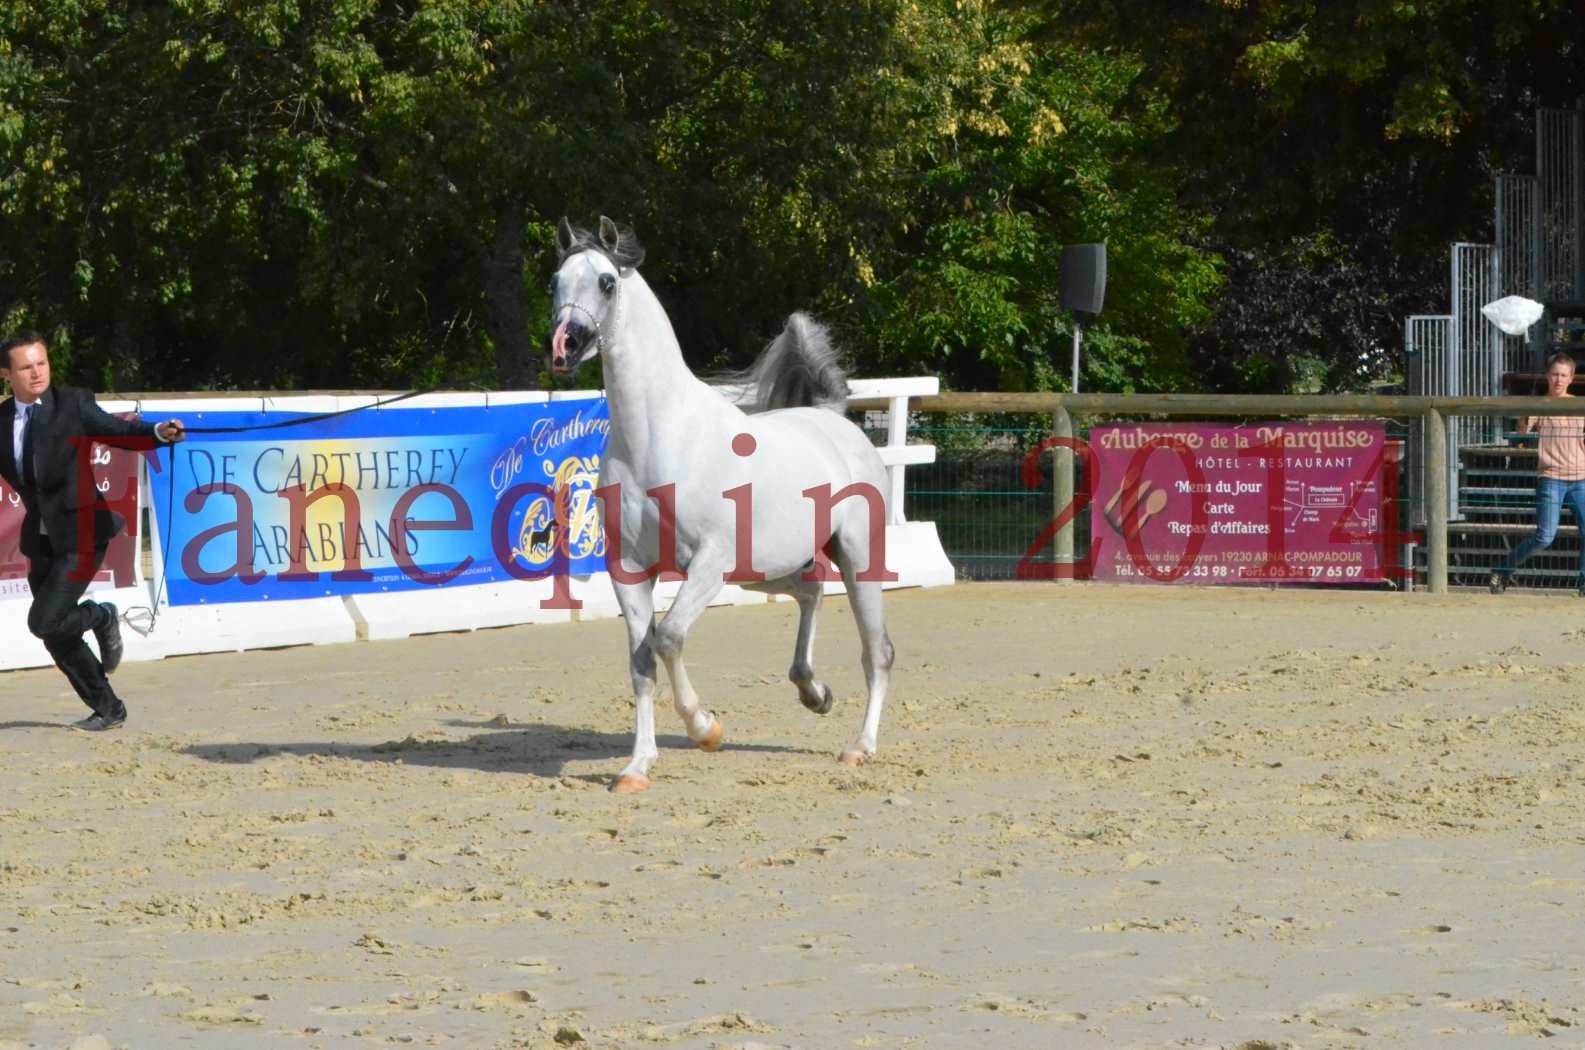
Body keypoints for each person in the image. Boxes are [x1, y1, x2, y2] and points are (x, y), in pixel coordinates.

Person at [0, 330, 185, 730]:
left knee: (43, 622)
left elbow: (117, 433)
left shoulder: (72, 405)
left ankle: (101, 617)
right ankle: (109, 708)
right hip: (41, 538)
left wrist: (157, 433)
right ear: (6, 375)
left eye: (42, 363)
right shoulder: (0, 421)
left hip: (82, 532)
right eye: (26, 367)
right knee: (55, 635)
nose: (37, 373)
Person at [1490, 351, 1585, 596]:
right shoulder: (1539, 404)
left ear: (1571, 378)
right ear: (1547, 376)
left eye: (1563, 375)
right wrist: (1527, 411)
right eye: (1555, 374)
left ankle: (1583, 582)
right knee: (1544, 537)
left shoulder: (1580, 405)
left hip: (1581, 479)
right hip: (1551, 478)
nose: (1559, 379)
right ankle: (1503, 570)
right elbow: (1522, 432)